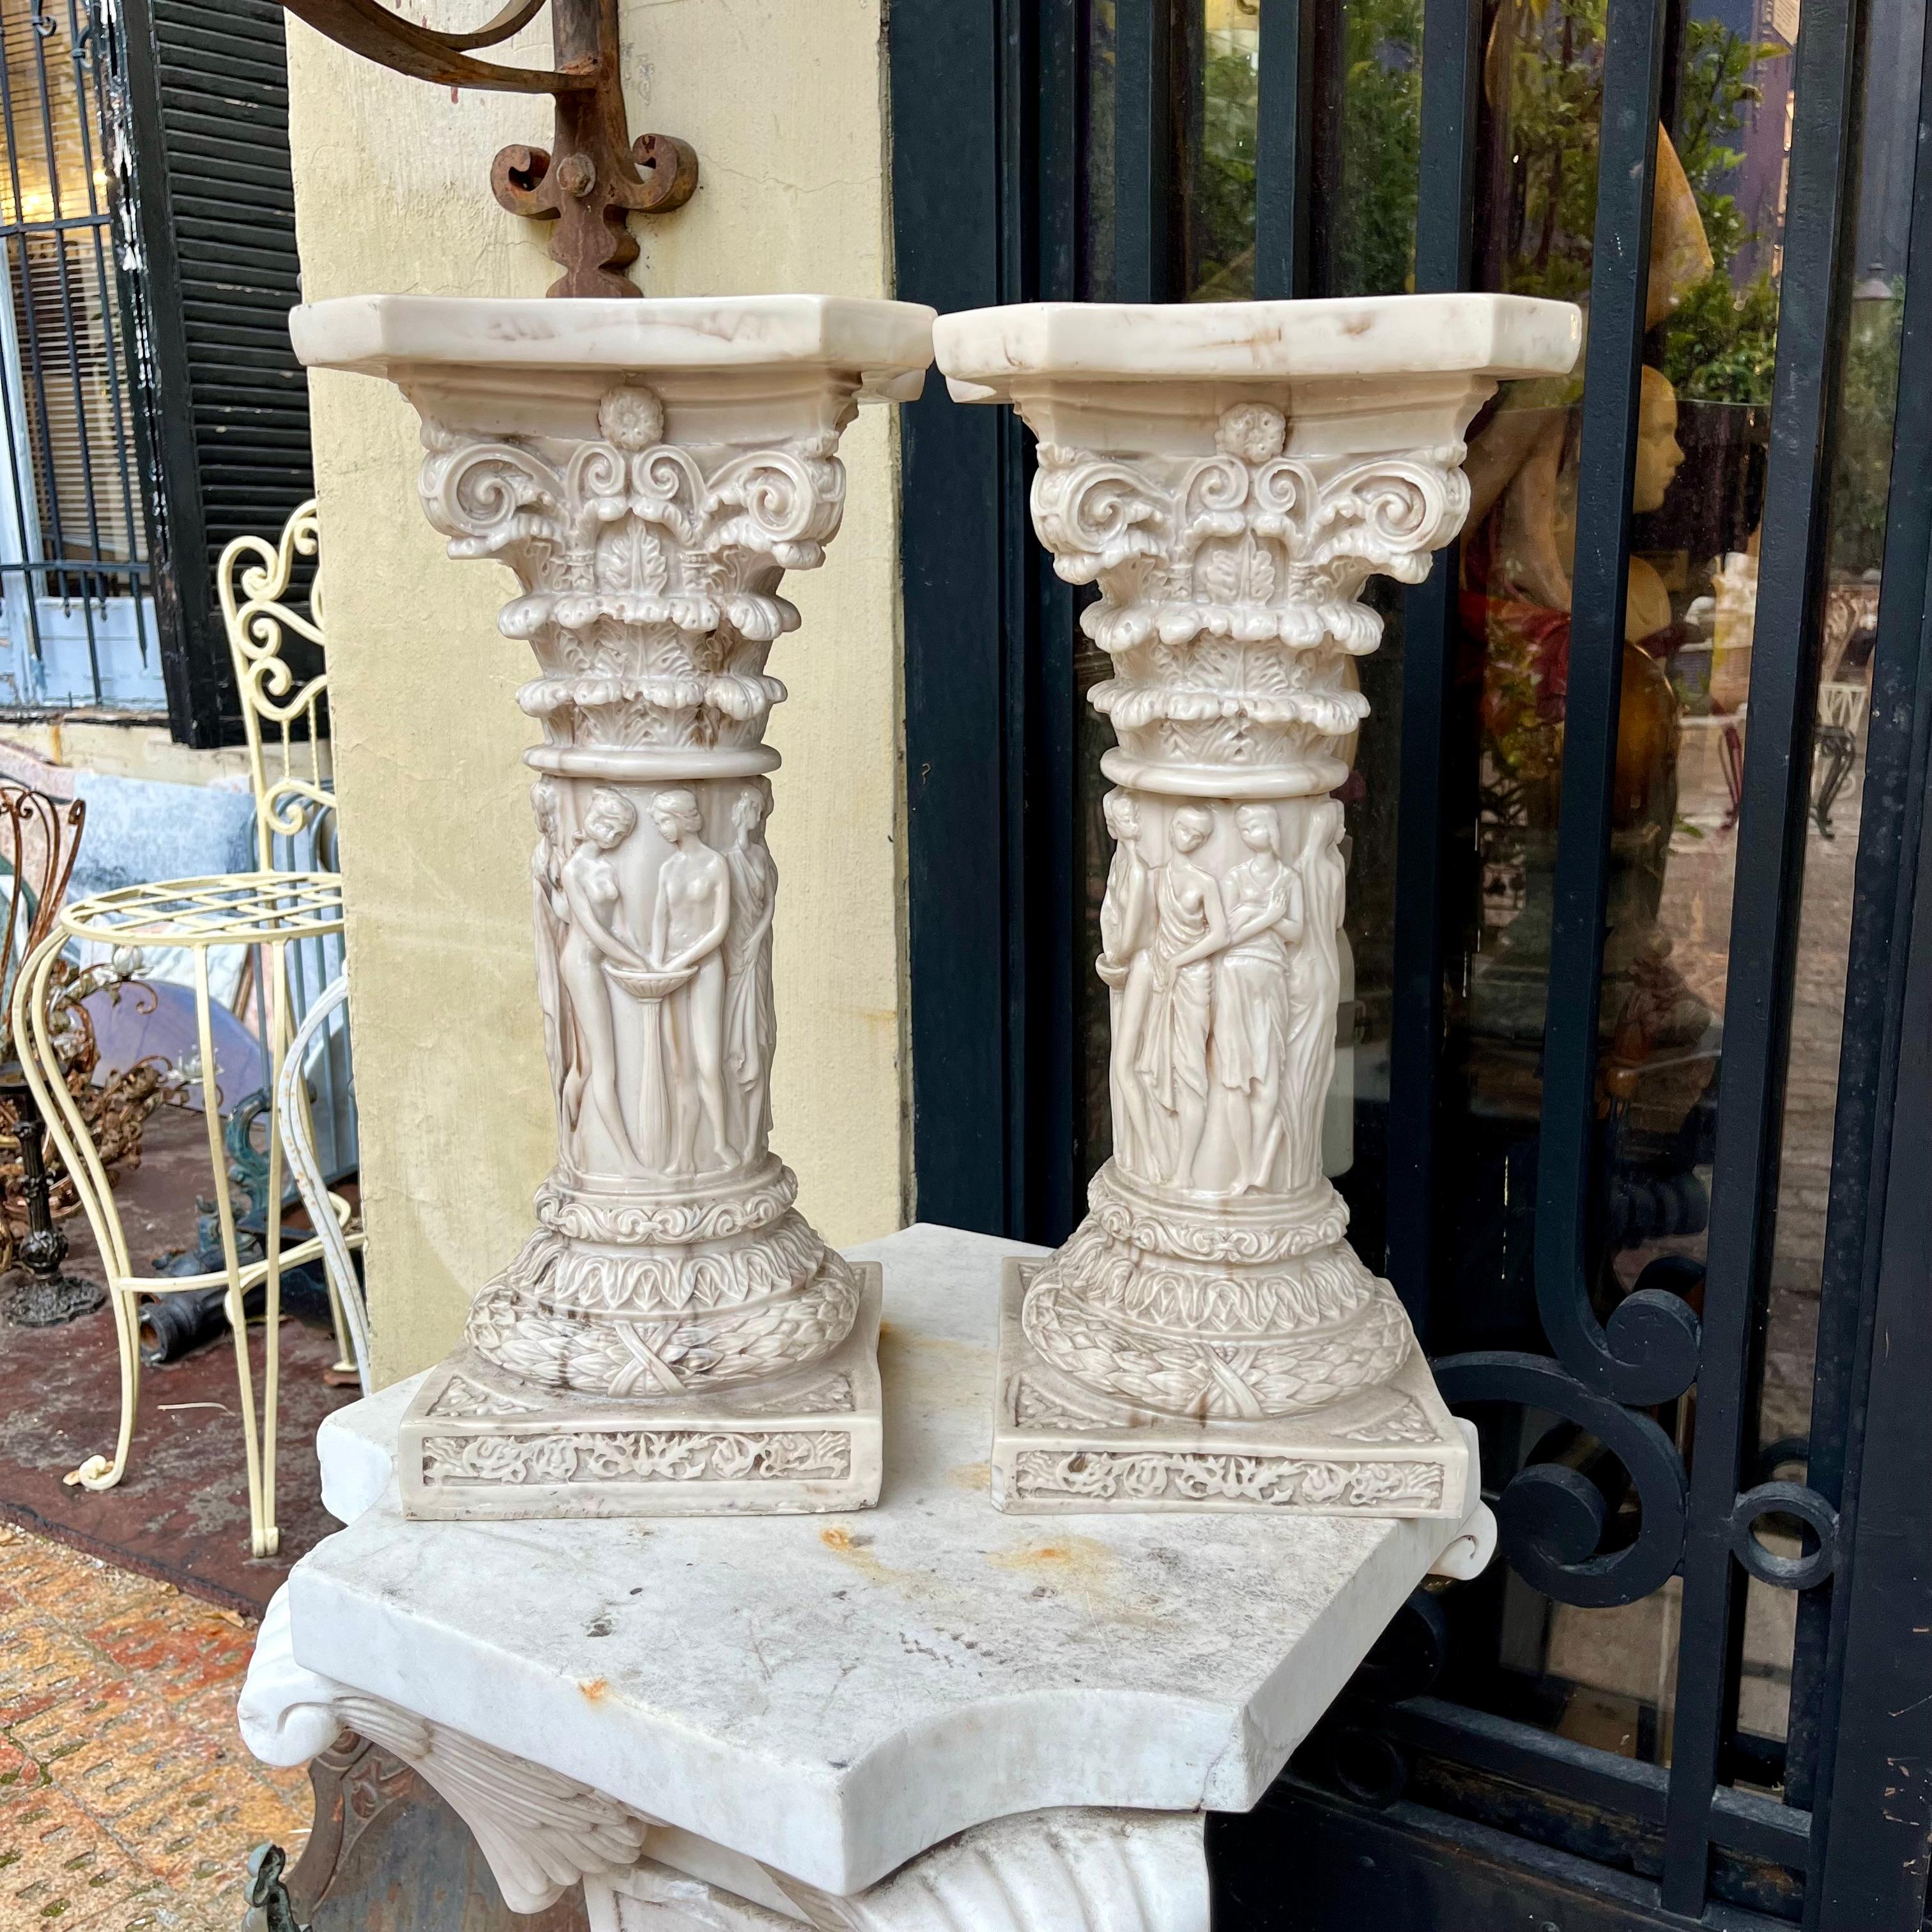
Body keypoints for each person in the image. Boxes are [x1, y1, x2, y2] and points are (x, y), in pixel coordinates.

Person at [1138, 804, 1228, 1192]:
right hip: (1163, 978)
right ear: (1172, 827)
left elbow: (1221, 935)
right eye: (1183, 828)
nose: (1188, 837)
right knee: (1155, 1067)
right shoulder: (1156, 877)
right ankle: (1161, 1156)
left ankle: (1186, 1170)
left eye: (1197, 834)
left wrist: (1180, 960)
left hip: (1193, 979)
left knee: (1192, 1074)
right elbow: (1144, 929)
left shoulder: (1205, 882)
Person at [557, 786, 647, 1171]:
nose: (612, 834)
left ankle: (575, 1142)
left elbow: (622, 924)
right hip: (582, 964)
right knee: (602, 1064)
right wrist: (635, 961)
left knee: (593, 1063)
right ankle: (624, 1159)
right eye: (608, 824)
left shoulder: (608, 868)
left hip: (604, 963)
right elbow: (593, 930)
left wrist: (641, 957)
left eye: (620, 831)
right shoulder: (573, 870)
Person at [1213, 803, 1300, 1193]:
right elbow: (1227, 934)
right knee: (1235, 1079)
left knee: (1268, 1078)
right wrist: (1268, 917)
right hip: (1235, 976)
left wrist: (1259, 916)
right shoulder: (1235, 877)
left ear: (1272, 829)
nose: (1248, 835)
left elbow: (1297, 932)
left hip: (1270, 977)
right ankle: (1246, 1168)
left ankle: (1261, 1163)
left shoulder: (1289, 878)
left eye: (1254, 827)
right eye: (1243, 829)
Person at [649, 788, 735, 1172]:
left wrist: (684, 959)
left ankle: (720, 1144)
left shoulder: (715, 864)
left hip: (704, 968)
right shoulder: (668, 869)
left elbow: (719, 927)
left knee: (709, 1062)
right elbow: (660, 922)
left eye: (664, 821)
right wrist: (658, 964)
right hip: (672, 971)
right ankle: (683, 1152)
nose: (661, 828)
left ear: (683, 819)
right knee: (680, 1066)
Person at [722, 780, 778, 1160]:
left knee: (759, 1039)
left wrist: (757, 938)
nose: (755, 818)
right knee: (734, 1048)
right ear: (739, 812)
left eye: (759, 811)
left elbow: (769, 903)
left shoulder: (760, 856)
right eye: (751, 811)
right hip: (734, 955)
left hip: (754, 953)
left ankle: (750, 1141)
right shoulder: (727, 860)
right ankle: (737, 1136)